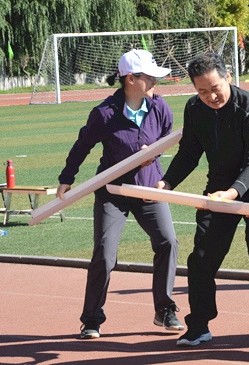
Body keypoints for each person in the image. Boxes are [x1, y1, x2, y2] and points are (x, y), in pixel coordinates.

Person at [155, 53, 249, 350]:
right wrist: (167, 182)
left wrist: (233, 193)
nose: (210, 96)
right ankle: (199, 326)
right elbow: (189, 153)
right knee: (202, 256)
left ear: (228, 78)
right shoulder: (194, 108)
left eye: (215, 88)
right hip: (219, 184)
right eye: (202, 91)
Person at [57, 49, 181, 339]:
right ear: (130, 79)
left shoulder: (160, 107)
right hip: (112, 191)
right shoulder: (105, 113)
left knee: (168, 242)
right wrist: (66, 179)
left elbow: (166, 136)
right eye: (149, 76)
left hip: (148, 187)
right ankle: (91, 319)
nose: (155, 81)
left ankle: (164, 310)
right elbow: (82, 145)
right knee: (104, 253)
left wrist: (153, 155)